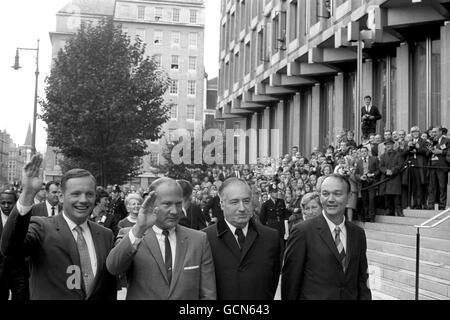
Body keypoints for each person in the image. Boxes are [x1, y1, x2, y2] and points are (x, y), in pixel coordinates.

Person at [0, 155, 117, 300]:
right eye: (75, 194)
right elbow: (10, 248)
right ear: (61, 197)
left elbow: (108, 287)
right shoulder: (41, 227)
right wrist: (28, 193)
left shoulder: (106, 235)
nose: (83, 200)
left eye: (89, 194)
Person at [106, 177, 216, 300]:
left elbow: (208, 294)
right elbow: (114, 267)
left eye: (178, 204)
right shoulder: (132, 236)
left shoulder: (198, 240)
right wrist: (139, 229)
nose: (174, 211)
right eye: (167, 204)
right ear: (152, 203)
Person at [281, 174, 372, 300]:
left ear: (349, 196)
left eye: (337, 194)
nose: (330, 199)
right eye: (325, 193)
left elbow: (362, 279)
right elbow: (290, 282)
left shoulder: (358, 234)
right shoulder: (302, 232)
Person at [203, 178, 281, 300]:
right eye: (234, 202)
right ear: (222, 204)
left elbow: (272, 281)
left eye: (246, 201)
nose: (242, 208)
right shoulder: (204, 239)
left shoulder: (270, 237)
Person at [0, 190, 29, 300]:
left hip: (19, 271)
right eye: (3, 203)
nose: (6, 206)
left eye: (9, 203)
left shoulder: (24, 216)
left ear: (16, 202)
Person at [379, 139, 404, 216]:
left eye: (389, 144)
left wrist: (392, 171)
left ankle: (398, 210)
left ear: (393, 145)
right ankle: (390, 210)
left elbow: (400, 165)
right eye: (386, 145)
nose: (388, 146)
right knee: (388, 196)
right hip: (386, 178)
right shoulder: (383, 156)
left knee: (396, 195)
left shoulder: (398, 154)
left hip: (395, 177)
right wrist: (386, 171)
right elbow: (381, 166)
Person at [427, 126, 449, 210]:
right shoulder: (431, 141)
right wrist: (430, 150)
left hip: (442, 167)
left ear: (440, 132)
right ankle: (430, 205)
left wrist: (441, 152)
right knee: (431, 187)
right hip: (432, 166)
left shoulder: (447, 140)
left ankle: (442, 205)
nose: (433, 134)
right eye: (432, 132)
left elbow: (448, 152)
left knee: (442, 186)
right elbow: (427, 154)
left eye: (435, 132)